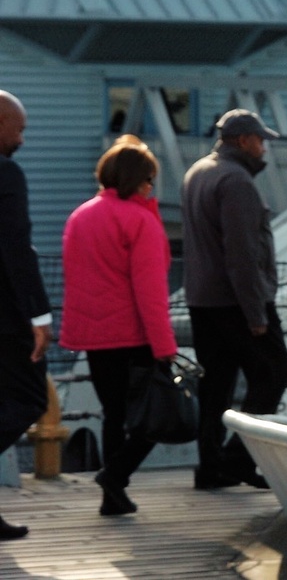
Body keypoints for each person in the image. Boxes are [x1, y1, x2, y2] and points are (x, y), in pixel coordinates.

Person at [60, 135, 178, 516]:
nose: (150, 186)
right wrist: (165, 348)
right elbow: (150, 292)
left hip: (95, 338)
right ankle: (115, 476)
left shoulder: (80, 216)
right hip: (134, 336)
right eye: (148, 179)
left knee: (113, 414)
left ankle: (112, 494)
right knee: (155, 417)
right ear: (136, 180)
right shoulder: (140, 220)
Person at [182, 109, 287, 490]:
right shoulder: (236, 181)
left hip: (202, 301)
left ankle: (210, 466)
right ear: (244, 140)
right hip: (237, 304)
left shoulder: (198, 172)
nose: (263, 149)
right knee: (273, 372)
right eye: (260, 141)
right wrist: (256, 312)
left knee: (216, 385)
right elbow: (242, 254)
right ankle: (237, 458)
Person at [0, 90, 52, 540]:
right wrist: (39, 316)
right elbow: (16, 246)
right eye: (18, 130)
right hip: (7, 315)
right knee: (29, 397)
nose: (21, 139)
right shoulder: (6, 173)